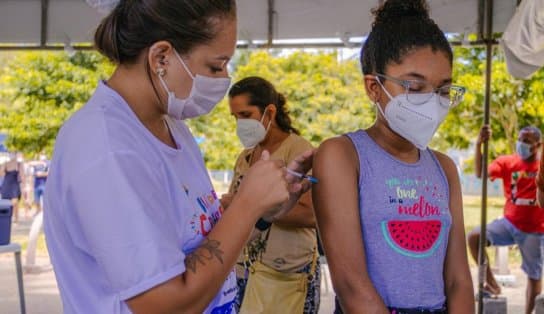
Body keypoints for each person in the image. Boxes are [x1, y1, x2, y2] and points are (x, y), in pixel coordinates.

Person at [43, 1, 313, 313]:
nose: (224, 78)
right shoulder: (106, 147)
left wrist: (264, 212)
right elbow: (166, 305)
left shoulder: (172, 128)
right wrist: (247, 203)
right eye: (215, 66)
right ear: (161, 57)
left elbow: (206, 248)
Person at [312, 1, 474, 313]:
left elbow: (458, 280)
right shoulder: (343, 156)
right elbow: (351, 283)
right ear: (373, 88)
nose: (431, 101)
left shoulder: (444, 168)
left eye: (443, 90)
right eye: (414, 87)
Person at [223, 77, 319, 313]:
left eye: (246, 115)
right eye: (235, 118)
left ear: (270, 111)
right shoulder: (245, 157)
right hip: (244, 270)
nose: (240, 124)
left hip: (286, 274)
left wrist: (249, 205)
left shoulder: (299, 152)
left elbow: (310, 215)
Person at [468, 124, 544, 314]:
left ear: (538, 144)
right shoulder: (508, 162)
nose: (521, 144)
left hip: (535, 230)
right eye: (520, 139)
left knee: (534, 277)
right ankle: (492, 283)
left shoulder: (541, 167)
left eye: (527, 141)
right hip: (509, 223)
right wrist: (478, 145)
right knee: (474, 237)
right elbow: (480, 174)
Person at [0, 153, 22, 223]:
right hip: (6, 185)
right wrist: (4, 165)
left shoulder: (18, 164)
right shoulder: (5, 163)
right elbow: (1, 174)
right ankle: (7, 219)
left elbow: (22, 175)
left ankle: (16, 219)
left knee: (15, 203)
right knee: (6, 204)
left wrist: (23, 186)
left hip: (15, 185)